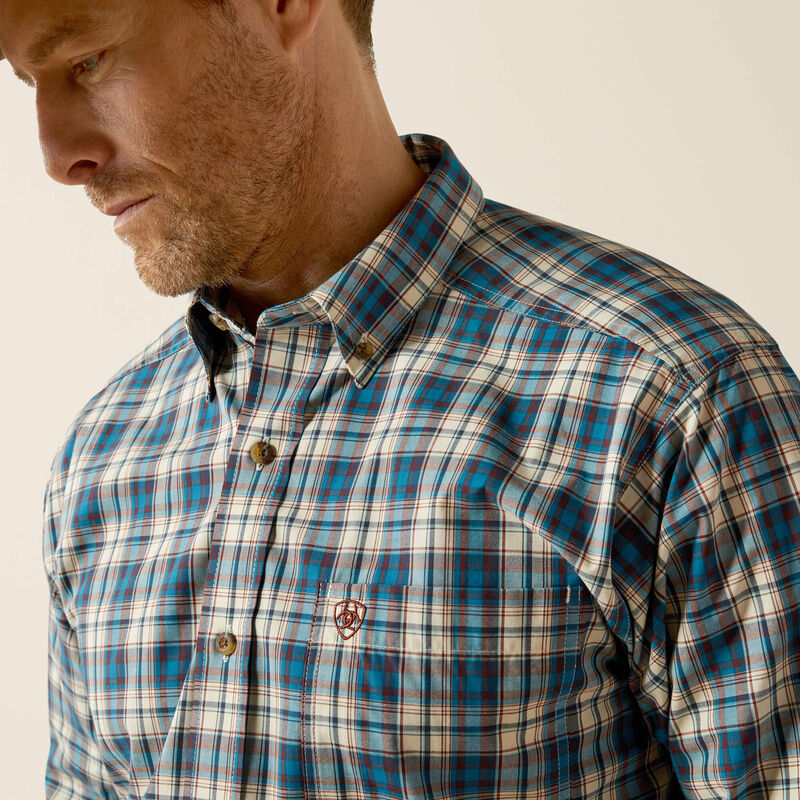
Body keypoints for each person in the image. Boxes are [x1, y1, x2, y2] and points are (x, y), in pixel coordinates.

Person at [2, 0, 799, 797]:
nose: (57, 156)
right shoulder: (103, 457)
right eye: (29, 84)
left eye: (87, 62)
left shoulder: (668, 396)